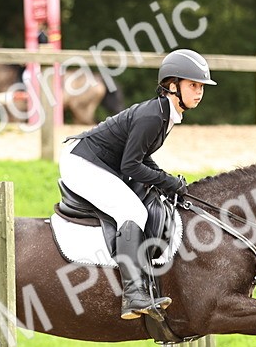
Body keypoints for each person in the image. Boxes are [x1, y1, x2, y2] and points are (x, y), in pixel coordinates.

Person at [59, 48, 215, 319]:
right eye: (193, 85)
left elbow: (142, 158)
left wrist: (168, 181)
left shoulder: (165, 114)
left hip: (100, 162)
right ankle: (134, 296)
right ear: (172, 85)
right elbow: (130, 166)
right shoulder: (153, 116)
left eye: (201, 86)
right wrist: (167, 181)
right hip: (82, 163)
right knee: (132, 212)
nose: (199, 92)